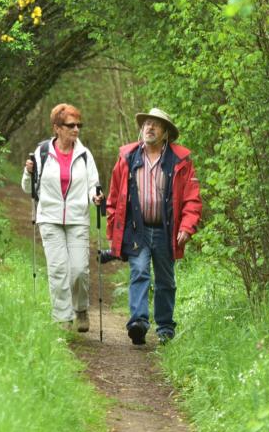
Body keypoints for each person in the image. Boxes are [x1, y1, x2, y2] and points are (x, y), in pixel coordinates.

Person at [104, 108, 202, 345]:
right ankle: (138, 322)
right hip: (136, 228)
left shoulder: (180, 161)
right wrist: (112, 233)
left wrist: (187, 226)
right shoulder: (127, 157)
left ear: (165, 132)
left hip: (165, 230)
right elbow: (114, 198)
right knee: (139, 271)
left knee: (165, 280)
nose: (150, 127)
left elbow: (192, 198)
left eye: (156, 125)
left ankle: (165, 328)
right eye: (147, 123)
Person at [22, 103, 103, 332]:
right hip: (49, 217)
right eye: (70, 125)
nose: (76, 129)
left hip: (77, 218)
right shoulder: (42, 152)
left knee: (78, 271)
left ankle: (80, 309)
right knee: (58, 269)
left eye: (79, 125)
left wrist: (95, 197)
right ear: (57, 127)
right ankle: (62, 319)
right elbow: (28, 187)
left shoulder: (85, 155)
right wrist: (28, 172)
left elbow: (92, 185)